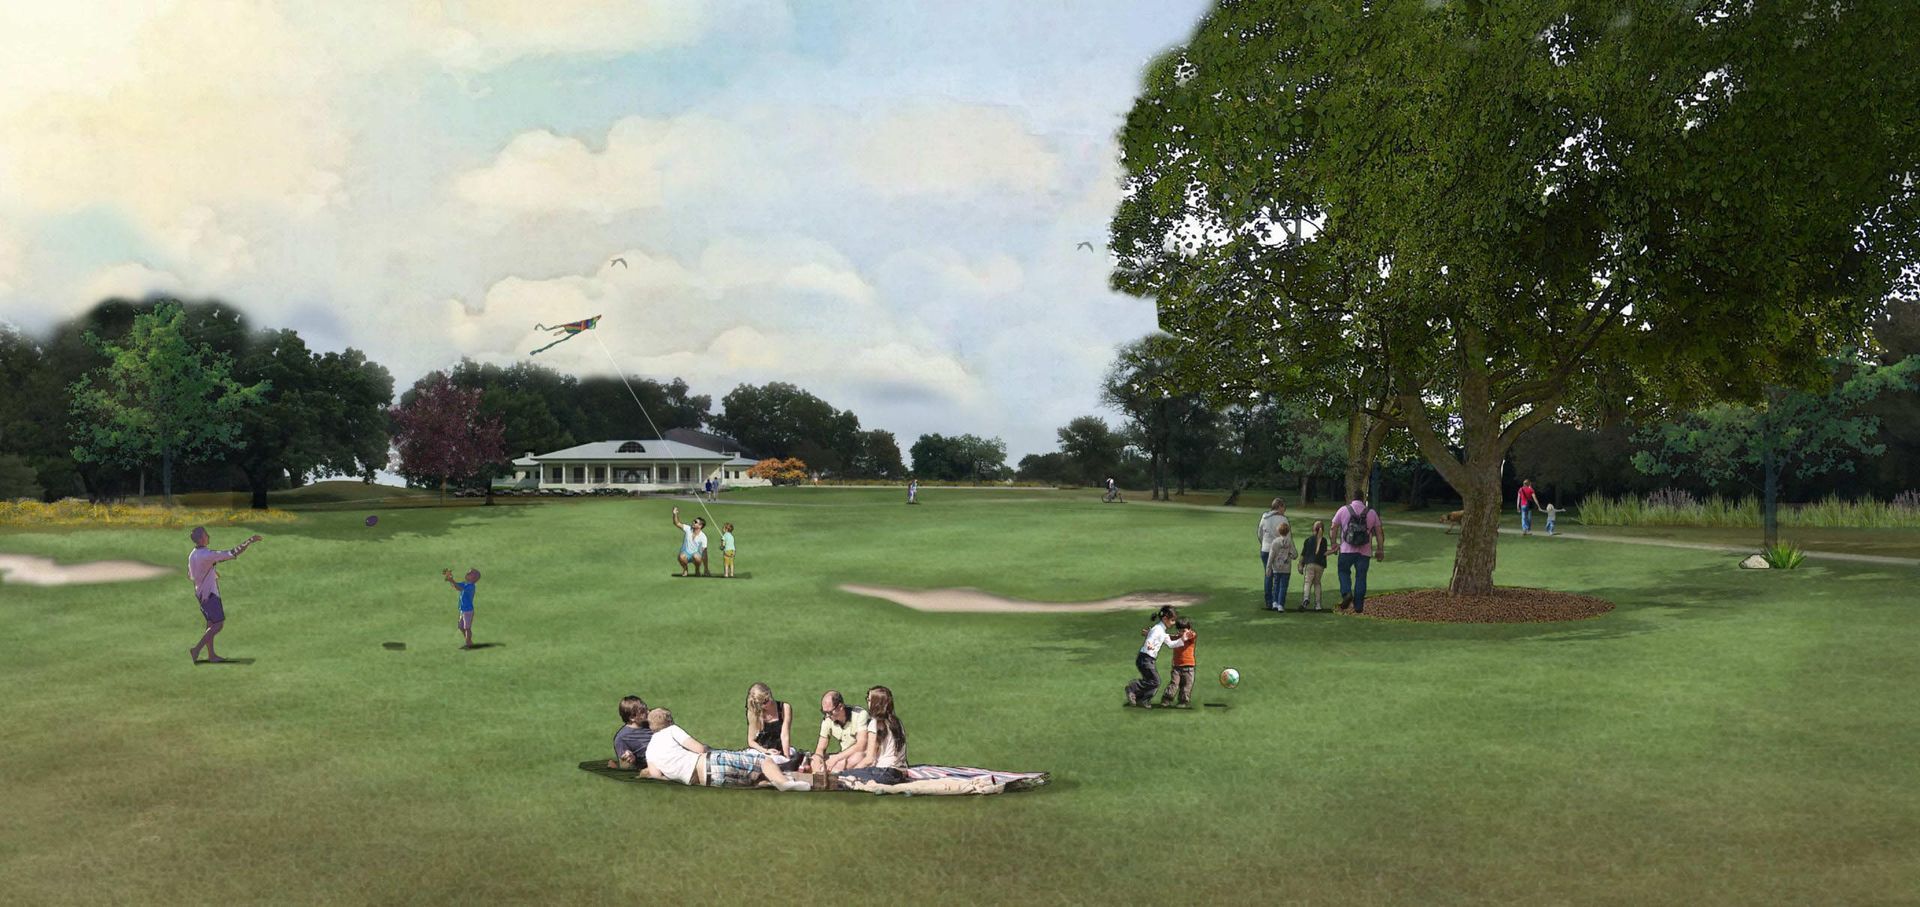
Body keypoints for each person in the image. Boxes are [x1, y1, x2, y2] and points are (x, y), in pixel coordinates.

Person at [641, 707, 809, 790]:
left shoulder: (650, 750)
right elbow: (699, 749)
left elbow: (656, 775)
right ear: (668, 721)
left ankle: (779, 782)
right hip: (710, 763)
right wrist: (708, 748)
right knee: (763, 760)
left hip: (707, 781)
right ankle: (785, 784)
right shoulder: (671, 730)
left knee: (753, 780)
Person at [186, 526, 261, 664]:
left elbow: (191, 575)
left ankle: (211, 655)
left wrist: (210, 573)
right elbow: (233, 552)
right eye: (206, 534)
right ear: (202, 538)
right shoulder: (208, 555)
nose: (208, 536)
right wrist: (250, 541)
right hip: (210, 594)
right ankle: (196, 650)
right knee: (218, 625)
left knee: (210, 623)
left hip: (200, 593)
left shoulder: (192, 555)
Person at [837, 686, 909, 785]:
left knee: (842, 775)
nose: (868, 702)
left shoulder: (874, 724)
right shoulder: (896, 722)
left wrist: (853, 771)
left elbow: (869, 759)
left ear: (876, 704)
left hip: (884, 773)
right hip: (900, 774)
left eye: (869, 700)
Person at [1124, 605, 1189, 708]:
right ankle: (1133, 688)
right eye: (1172, 620)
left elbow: (1171, 644)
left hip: (1148, 659)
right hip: (1145, 658)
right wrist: (1149, 645)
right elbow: (1150, 639)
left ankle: (1141, 699)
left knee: (1152, 681)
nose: (1173, 623)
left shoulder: (1161, 631)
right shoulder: (1157, 629)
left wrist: (1182, 640)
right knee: (1155, 681)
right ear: (1164, 619)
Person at [1331, 498, 1385, 614]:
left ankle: (1346, 593)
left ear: (1352, 500)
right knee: (1361, 577)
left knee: (1343, 572)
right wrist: (1380, 549)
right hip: (1364, 552)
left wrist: (1334, 543)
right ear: (1364, 500)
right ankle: (1359, 605)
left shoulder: (1343, 510)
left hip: (1346, 550)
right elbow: (1379, 532)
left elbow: (1333, 527)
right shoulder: (1371, 512)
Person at [807, 690, 872, 774]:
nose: (827, 716)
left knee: (856, 757)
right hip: (842, 755)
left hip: (858, 754)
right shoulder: (827, 719)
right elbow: (820, 748)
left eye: (830, 712)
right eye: (824, 712)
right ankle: (822, 776)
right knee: (813, 760)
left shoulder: (860, 715)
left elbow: (861, 745)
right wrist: (818, 759)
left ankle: (831, 774)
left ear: (840, 707)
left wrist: (836, 758)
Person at [745, 683, 800, 768]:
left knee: (783, 760)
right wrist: (766, 751)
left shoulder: (784, 708)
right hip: (762, 750)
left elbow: (784, 735)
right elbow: (751, 741)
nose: (765, 705)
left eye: (766, 700)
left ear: (769, 693)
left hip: (778, 750)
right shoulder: (754, 713)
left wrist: (787, 758)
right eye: (761, 703)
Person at [1257, 498, 1291, 610]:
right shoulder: (1283, 519)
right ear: (1279, 507)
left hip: (1266, 548)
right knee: (1278, 575)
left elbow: (1260, 533)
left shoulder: (1264, 517)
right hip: (1278, 550)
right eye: (1283, 508)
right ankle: (1276, 601)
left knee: (1268, 574)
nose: (1284, 510)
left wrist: (1264, 543)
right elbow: (1287, 537)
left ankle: (1269, 600)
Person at [1157, 618, 1198, 707]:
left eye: (1184, 630)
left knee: (1186, 686)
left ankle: (1183, 702)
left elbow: (1193, 635)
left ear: (1189, 629)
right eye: (1180, 630)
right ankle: (1166, 699)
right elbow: (1165, 637)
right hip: (1177, 667)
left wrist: (1186, 635)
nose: (1182, 633)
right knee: (1174, 683)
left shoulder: (1191, 637)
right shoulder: (1176, 638)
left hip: (1189, 668)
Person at [608, 695, 652, 770]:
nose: (648, 712)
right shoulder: (622, 738)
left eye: (646, 708)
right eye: (642, 711)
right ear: (632, 717)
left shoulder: (652, 723)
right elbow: (625, 767)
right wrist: (631, 760)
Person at [441, 567, 481, 649]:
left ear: (473, 578)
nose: (467, 573)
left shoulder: (471, 587)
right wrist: (450, 580)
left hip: (468, 611)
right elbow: (456, 587)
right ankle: (468, 640)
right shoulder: (465, 584)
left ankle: (468, 642)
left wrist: (452, 580)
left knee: (467, 628)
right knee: (460, 627)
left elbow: (459, 588)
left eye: (469, 573)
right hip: (463, 610)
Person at [1298, 521, 1330, 611]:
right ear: (1322, 530)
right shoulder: (1324, 541)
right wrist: (1333, 550)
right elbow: (1324, 553)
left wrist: (1300, 565)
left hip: (1310, 564)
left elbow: (1303, 554)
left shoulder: (1308, 540)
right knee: (1317, 583)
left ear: (1313, 529)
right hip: (1320, 565)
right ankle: (1318, 605)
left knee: (1308, 582)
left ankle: (1306, 598)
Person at [1265, 522, 1297, 612]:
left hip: (1276, 567)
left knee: (1276, 585)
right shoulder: (1289, 541)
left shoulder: (1275, 542)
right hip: (1286, 568)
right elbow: (1295, 554)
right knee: (1283, 586)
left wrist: (1268, 567)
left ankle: (1274, 602)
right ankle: (1280, 605)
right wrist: (1290, 555)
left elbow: (1271, 555)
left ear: (1279, 531)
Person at [670, 507, 708, 577]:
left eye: (695, 522)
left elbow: (704, 552)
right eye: (694, 521)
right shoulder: (688, 528)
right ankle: (685, 569)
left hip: (695, 555)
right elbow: (677, 523)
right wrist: (675, 514)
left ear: (700, 526)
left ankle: (697, 569)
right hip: (686, 554)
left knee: (696, 556)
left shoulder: (703, 537)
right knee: (681, 556)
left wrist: (706, 568)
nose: (693, 522)